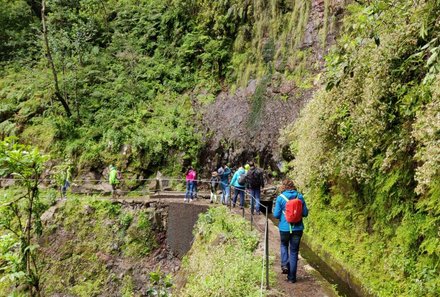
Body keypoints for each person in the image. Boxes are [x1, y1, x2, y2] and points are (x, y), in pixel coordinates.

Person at [273, 179, 308, 283]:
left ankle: (284, 265)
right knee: (293, 251)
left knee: (284, 245)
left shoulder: (280, 198)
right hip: (297, 229)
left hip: (284, 228)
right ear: (293, 186)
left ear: (283, 186)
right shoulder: (300, 196)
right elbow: (305, 213)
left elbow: (275, 215)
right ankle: (292, 278)